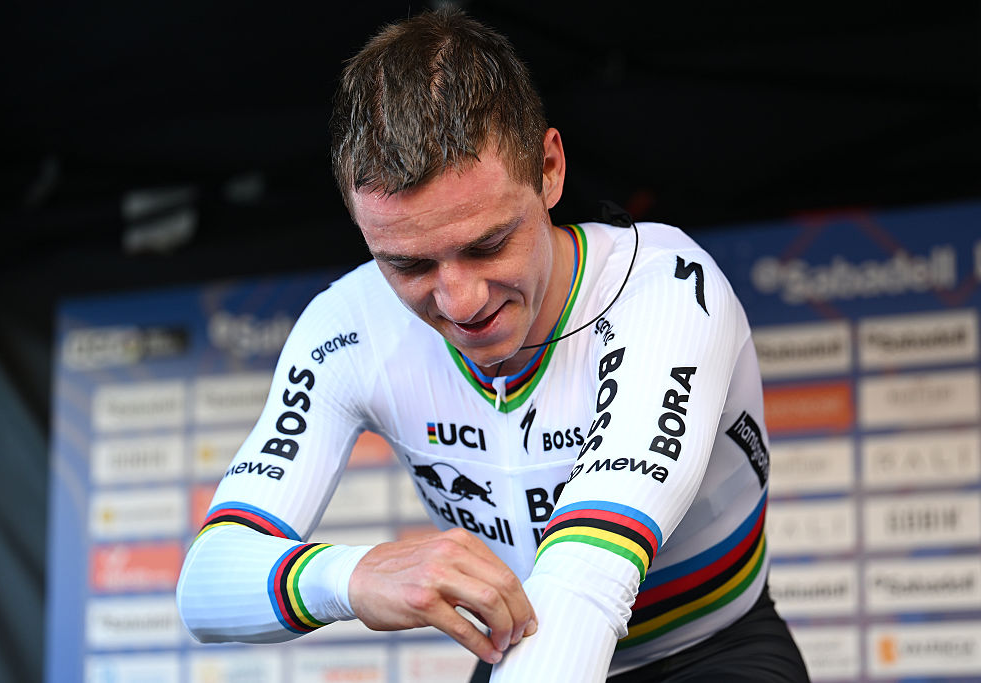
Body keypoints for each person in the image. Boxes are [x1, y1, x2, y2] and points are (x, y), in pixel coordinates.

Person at [176, 8, 809, 682]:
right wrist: (350, 574)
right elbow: (207, 583)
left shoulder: (662, 288)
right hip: (525, 643)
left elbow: (586, 581)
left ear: (550, 168)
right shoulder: (347, 322)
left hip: (710, 649)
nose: (460, 301)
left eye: (488, 244)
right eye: (409, 265)